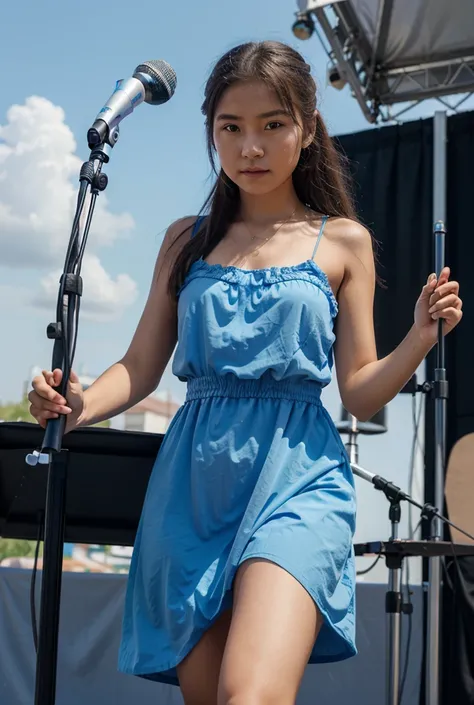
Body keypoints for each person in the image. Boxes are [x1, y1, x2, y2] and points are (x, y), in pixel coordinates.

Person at [28, 40, 463, 705]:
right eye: (230, 127)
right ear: (211, 132)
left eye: (272, 125)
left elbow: (359, 389)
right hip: (192, 485)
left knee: (251, 694)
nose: (250, 146)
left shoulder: (342, 240)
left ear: (308, 127)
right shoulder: (186, 239)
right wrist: (79, 402)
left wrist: (419, 337)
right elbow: (141, 366)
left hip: (298, 478)